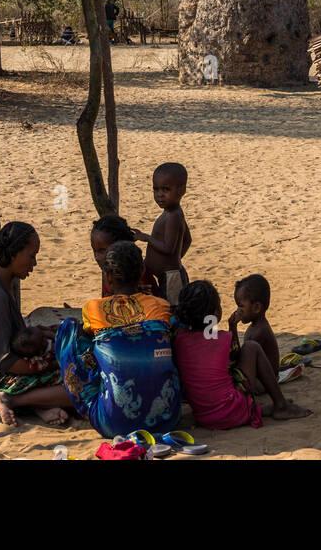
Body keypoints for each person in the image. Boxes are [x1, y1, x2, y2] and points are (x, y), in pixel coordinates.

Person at [55, 241, 181, 438]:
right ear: (141, 273)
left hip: (112, 423)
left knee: (69, 328)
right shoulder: (161, 306)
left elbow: (86, 339)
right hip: (167, 418)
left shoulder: (93, 308)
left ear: (108, 278)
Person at [0, 221, 73, 427]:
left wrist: (42, 333)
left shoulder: (4, 286)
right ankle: (9, 399)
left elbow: (14, 338)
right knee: (78, 385)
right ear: (14, 253)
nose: (34, 263)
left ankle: (36, 405)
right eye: (31, 256)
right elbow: (6, 362)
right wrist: (51, 364)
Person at [172, 281, 311, 427]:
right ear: (216, 313)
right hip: (233, 413)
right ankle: (280, 405)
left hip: (203, 417)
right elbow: (237, 360)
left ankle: (259, 408)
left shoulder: (178, 339)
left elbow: (205, 344)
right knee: (251, 347)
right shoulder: (223, 339)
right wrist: (232, 327)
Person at [131, 162, 191, 306]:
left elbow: (168, 248)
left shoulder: (173, 216)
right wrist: (175, 260)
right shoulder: (171, 212)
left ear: (181, 190)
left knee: (172, 312)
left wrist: (145, 237)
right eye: (156, 189)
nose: (159, 195)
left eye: (166, 189)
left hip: (171, 278)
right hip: (169, 274)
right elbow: (188, 239)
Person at [90, 214, 160, 296]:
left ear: (120, 246)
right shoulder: (112, 271)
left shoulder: (136, 274)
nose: (96, 257)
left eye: (102, 251)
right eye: (94, 250)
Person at [229, 273, 279, 372]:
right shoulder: (256, 326)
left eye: (241, 306)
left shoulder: (259, 332)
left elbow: (240, 360)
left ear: (256, 308)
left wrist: (233, 328)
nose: (238, 310)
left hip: (263, 382)